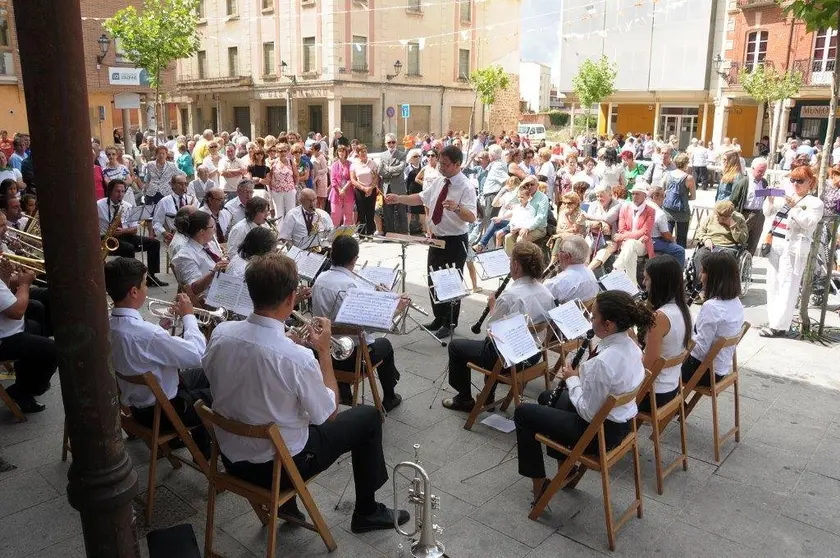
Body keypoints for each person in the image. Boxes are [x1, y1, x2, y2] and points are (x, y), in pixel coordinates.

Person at [201, 252, 410, 531]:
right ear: (291, 299)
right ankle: (367, 512)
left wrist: (287, 346)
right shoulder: (297, 358)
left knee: (279, 406)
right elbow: (329, 412)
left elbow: (231, 369)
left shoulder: (221, 333)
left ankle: (288, 508)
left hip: (232, 457)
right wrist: (323, 353)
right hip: (280, 468)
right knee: (369, 417)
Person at [513, 290, 652, 505]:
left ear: (608, 325)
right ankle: (565, 469)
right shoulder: (632, 347)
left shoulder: (603, 362)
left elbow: (588, 412)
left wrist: (571, 379)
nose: (590, 319)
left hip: (598, 434)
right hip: (620, 425)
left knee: (523, 413)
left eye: (594, 316)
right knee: (546, 397)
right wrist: (579, 379)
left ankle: (540, 486)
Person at [105, 257, 212, 456]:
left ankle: (200, 442)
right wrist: (189, 316)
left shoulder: (110, 323)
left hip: (140, 407)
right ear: (134, 292)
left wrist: (163, 324)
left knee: (207, 374)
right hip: (165, 412)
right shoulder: (147, 334)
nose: (147, 288)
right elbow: (197, 354)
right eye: (145, 283)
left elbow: (141, 345)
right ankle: (204, 453)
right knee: (220, 392)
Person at [442, 242, 555, 411]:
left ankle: (464, 399)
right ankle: (487, 396)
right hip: (533, 355)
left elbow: (493, 331)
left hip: (508, 358)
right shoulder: (546, 292)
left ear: (516, 266)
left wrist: (493, 306)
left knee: (456, 347)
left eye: (511, 261)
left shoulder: (511, 296)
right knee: (492, 347)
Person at [385, 145, 478, 338]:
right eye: (440, 163)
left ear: (457, 164)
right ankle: (438, 317)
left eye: (445, 164)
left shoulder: (466, 186)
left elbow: (472, 217)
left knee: (450, 281)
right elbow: (421, 198)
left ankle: (450, 322)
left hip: (454, 240)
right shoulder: (439, 181)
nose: (440, 167)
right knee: (433, 279)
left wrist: (457, 208)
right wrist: (398, 199)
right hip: (435, 238)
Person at [311, 236, 404, 411]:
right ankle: (390, 397)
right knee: (386, 345)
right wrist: (395, 308)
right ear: (354, 259)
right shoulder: (350, 285)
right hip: (351, 357)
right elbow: (367, 327)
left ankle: (343, 389)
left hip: (324, 349)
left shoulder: (320, 278)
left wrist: (373, 293)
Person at [760, 166, 825, 338]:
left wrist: (794, 209)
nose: (796, 184)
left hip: (794, 248)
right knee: (772, 284)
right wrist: (771, 199)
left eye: (800, 180)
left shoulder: (815, 203)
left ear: (810, 182)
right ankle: (774, 320)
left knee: (788, 285)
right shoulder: (788, 197)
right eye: (793, 180)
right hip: (776, 244)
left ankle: (779, 325)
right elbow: (768, 213)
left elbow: (810, 224)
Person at [0, 259, 57, 413]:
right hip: (3, 339)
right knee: (52, 350)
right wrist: (24, 284)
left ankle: (28, 379)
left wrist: (5, 278)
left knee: (36, 310)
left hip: (8, 329)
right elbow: (16, 312)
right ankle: (25, 390)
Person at [639, 256, 692, 412]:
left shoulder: (660, 317)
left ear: (658, 284)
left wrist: (631, 340)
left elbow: (647, 366)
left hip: (653, 394)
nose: (643, 284)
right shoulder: (684, 308)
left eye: (647, 279)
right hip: (671, 388)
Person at [681, 252, 744, 383]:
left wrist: (684, 335)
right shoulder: (736, 302)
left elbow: (700, 350)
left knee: (660, 369)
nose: (699, 276)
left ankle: (672, 402)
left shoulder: (712, 307)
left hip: (704, 371)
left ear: (714, 277)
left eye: (703, 272)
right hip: (720, 369)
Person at [98, 179, 167, 287]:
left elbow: (134, 229)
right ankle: (131, 278)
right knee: (129, 248)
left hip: (125, 235)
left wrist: (123, 231)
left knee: (155, 243)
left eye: (122, 191)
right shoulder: (99, 205)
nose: (120, 194)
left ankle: (151, 277)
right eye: (117, 191)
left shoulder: (127, 206)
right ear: (110, 191)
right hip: (107, 238)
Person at [691, 201, 748, 289]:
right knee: (700, 256)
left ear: (727, 217)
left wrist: (732, 225)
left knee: (723, 261)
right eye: (716, 215)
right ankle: (700, 288)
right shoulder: (712, 216)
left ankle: (720, 290)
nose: (716, 218)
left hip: (729, 247)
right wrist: (706, 238)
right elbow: (700, 231)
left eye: (719, 217)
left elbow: (743, 239)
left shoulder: (739, 218)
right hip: (710, 244)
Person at [171, 210, 229, 295]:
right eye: (212, 226)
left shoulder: (210, 244)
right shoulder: (184, 256)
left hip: (223, 288)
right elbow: (194, 289)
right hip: (211, 297)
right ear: (202, 231)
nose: (215, 229)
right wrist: (213, 273)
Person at [612, 182, 656, 287]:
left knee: (631, 244)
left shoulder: (650, 211)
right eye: (633, 194)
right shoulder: (625, 208)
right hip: (628, 244)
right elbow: (621, 229)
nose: (634, 196)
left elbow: (645, 232)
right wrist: (633, 235)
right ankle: (633, 286)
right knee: (631, 250)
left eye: (637, 194)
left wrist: (623, 236)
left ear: (644, 196)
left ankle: (616, 268)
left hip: (643, 244)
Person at [729, 157, 769, 255]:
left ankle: (748, 263)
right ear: (752, 169)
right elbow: (733, 201)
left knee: (753, 242)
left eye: (764, 172)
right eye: (760, 171)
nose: (762, 174)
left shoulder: (764, 182)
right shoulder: (743, 183)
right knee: (741, 241)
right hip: (746, 214)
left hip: (759, 215)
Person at [544, 235, 600, 304]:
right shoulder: (590, 273)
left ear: (567, 256)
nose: (558, 254)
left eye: (560, 251)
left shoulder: (557, 283)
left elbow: (540, 302)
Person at [504, 175, 549, 255]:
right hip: (522, 226)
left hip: (538, 228)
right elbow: (510, 203)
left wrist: (527, 228)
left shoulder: (542, 198)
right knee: (508, 237)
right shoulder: (524, 194)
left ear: (537, 185)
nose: (529, 187)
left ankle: (522, 264)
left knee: (520, 240)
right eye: (527, 185)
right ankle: (512, 262)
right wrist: (521, 185)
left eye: (532, 184)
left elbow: (540, 217)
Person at [660, 153, 695, 248]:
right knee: (681, 240)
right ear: (686, 164)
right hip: (683, 211)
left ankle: (665, 259)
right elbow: (693, 197)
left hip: (668, 210)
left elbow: (662, 190)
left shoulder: (667, 174)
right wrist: (683, 197)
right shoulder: (689, 178)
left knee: (666, 238)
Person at [585, 184, 622, 271]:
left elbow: (608, 218)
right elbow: (586, 222)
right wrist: (600, 224)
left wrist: (589, 217)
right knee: (586, 248)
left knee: (604, 251)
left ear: (610, 194)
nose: (599, 198)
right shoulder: (593, 205)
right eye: (597, 196)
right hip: (592, 236)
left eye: (601, 196)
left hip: (610, 239)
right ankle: (584, 268)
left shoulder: (617, 205)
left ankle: (588, 271)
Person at [647, 185, 686, 267]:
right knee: (680, 250)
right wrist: (672, 240)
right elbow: (665, 235)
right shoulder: (659, 213)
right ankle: (677, 276)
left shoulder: (642, 206)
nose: (664, 199)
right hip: (653, 240)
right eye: (663, 196)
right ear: (655, 197)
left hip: (643, 237)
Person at [152, 172, 197, 243]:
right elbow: (156, 222)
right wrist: (164, 233)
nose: (184, 186)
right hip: (174, 237)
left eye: (185, 184)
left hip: (192, 237)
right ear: (172, 185)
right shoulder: (164, 202)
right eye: (180, 184)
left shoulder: (193, 199)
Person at [378, 133, 409, 234]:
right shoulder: (382, 155)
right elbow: (380, 171)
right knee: (388, 213)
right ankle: (390, 234)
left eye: (393, 142)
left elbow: (401, 168)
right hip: (386, 187)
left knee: (401, 212)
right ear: (385, 144)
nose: (391, 144)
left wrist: (388, 169)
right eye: (389, 142)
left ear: (396, 142)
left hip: (399, 188)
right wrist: (392, 172)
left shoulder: (402, 154)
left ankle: (404, 233)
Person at [548, 191, 586, 263]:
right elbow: (558, 230)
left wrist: (566, 217)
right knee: (559, 238)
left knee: (559, 239)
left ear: (576, 203)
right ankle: (554, 263)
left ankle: (552, 263)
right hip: (563, 236)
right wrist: (567, 231)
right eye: (564, 203)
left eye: (569, 203)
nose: (566, 205)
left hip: (577, 237)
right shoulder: (562, 211)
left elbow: (575, 230)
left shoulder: (581, 214)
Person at [350, 144, 379, 236]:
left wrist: (370, 188)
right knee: (361, 212)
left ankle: (370, 233)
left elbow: (376, 177)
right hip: (359, 190)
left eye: (365, 151)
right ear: (358, 153)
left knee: (370, 212)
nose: (363, 153)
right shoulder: (354, 165)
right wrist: (363, 188)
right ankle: (361, 233)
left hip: (371, 189)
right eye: (361, 152)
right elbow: (353, 180)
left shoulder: (373, 163)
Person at [329, 145, 355, 227]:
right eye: (340, 151)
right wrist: (340, 190)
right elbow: (333, 180)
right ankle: (334, 236)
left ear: (346, 153)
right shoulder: (334, 165)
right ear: (337, 153)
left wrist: (344, 189)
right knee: (335, 216)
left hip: (348, 192)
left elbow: (352, 178)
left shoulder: (351, 164)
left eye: (343, 151)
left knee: (348, 216)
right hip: (336, 193)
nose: (341, 153)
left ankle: (346, 236)